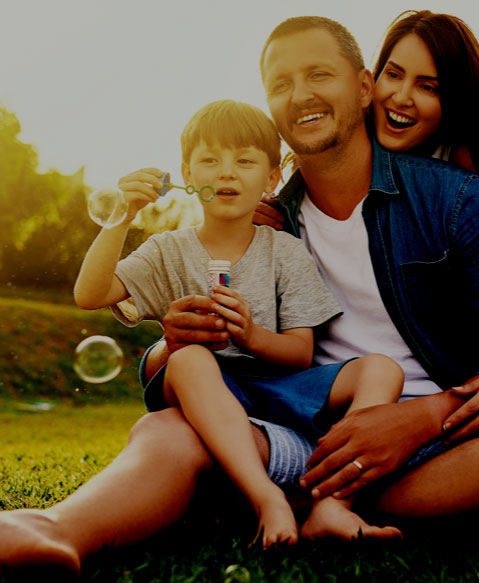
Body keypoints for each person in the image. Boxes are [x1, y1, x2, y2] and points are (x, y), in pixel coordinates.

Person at [0, 16, 479, 581]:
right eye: (279, 83)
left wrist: (413, 417)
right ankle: (42, 533)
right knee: (173, 430)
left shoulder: (454, 197)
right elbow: (192, 360)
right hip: (298, 433)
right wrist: (182, 335)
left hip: (431, 443)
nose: (299, 93)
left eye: (318, 73)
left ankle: (280, 499)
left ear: (359, 86)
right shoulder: (262, 220)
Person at [72, 99, 404, 547]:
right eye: (210, 160)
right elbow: (89, 294)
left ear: (271, 179)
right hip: (203, 389)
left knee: (382, 368)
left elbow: (300, 353)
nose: (227, 172)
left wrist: (250, 336)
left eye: (244, 161)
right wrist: (121, 218)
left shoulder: (285, 252)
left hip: (275, 390)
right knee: (188, 359)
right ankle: (266, 498)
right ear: (187, 176)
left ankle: (334, 504)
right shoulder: (167, 250)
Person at [253, 10, 479, 440]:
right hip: (345, 400)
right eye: (393, 75)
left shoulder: (468, 179)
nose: (400, 97)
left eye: (428, 87)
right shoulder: (313, 180)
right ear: (367, 84)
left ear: (455, 102)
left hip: (438, 409)